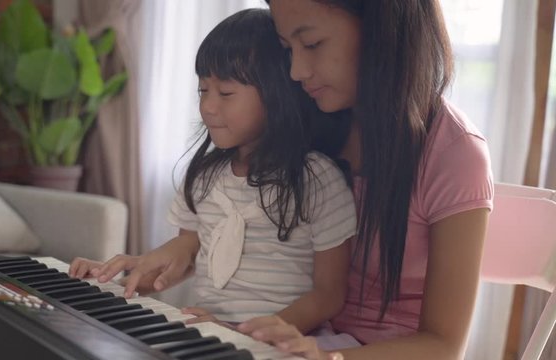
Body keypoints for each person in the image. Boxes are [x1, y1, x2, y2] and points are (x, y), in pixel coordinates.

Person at [79, 0, 495, 358]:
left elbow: (443, 347)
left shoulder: (455, 154)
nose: (296, 70)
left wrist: (326, 355)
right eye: (286, 49)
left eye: (312, 43)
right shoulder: (307, 125)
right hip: (288, 342)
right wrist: (165, 261)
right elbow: (255, 236)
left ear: (383, 29)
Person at [69, 8, 357, 335]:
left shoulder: (317, 180)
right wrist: (115, 281)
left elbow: (329, 295)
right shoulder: (204, 177)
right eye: (203, 90)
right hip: (210, 333)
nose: (207, 106)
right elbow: (185, 259)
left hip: (281, 341)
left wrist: (251, 333)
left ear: (277, 94)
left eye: (226, 92)